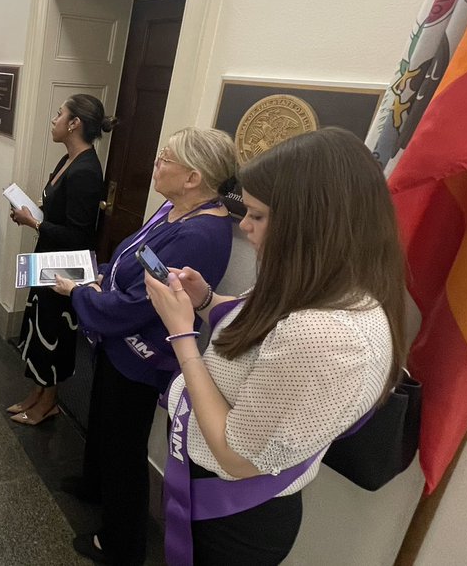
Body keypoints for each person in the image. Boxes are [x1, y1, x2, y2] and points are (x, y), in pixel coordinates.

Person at [145, 128, 404, 566]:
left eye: (258, 216)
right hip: (216, 491)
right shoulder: (325, 284)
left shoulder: (327, 337)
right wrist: (207, 301)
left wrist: (183, 335)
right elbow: (259, 324)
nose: (243, 227)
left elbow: (237, 454)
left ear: (313, 224)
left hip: (235, 510)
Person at [60, 127, 238, 566]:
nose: (156, 163)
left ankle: (122, 545)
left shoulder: (199, 234)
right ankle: (93, 486)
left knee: (124, 447)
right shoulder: (174, 208)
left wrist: (81, 294)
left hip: (143, 353)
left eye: (166, 159)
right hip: (119, 344)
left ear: (193, 177)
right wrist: (102, 274)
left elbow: (143, 305)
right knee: (102, 417)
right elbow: (134, 257)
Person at [7, 94, 109, 424]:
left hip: (65, 268)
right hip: (47, 258)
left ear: (75, 123)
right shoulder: (67, 160)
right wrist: (33, 212)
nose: (54, 120)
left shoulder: (86, 172)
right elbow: (57, 210)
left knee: (54, 334)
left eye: (59, 113)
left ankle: (48, 403)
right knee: (38, 328)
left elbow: (79, 236)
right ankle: (36, 394)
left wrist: (33, 222)